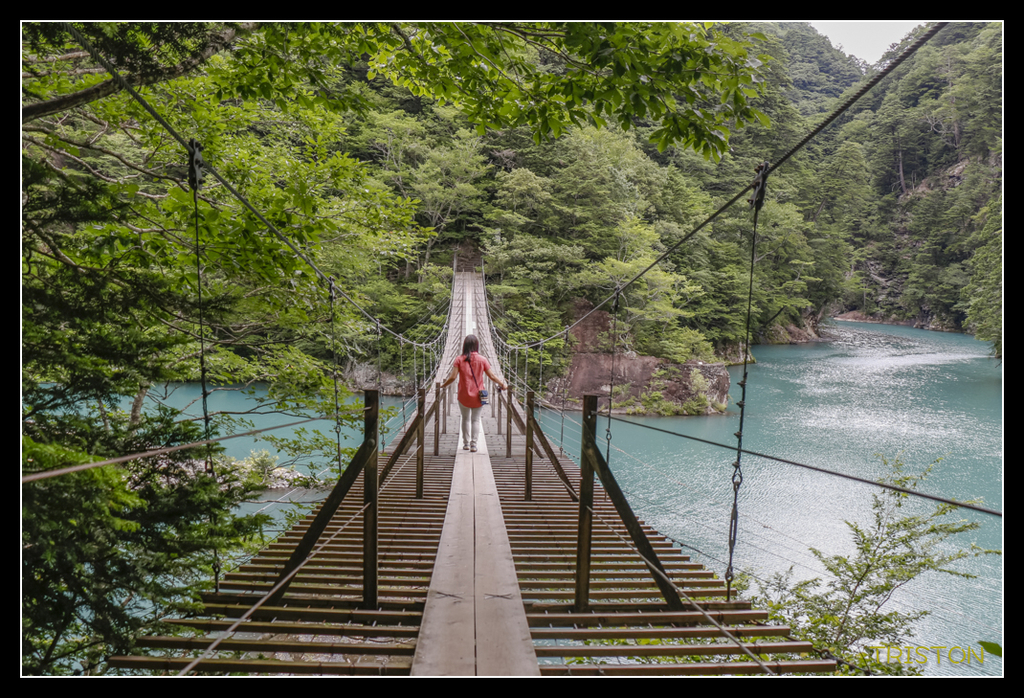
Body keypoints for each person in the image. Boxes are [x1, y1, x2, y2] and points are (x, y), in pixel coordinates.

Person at [440, 334, 507, 452]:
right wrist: (502, 384)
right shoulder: (483, 359)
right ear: (477, 345)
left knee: (465, 419)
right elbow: (491, 376)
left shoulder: (459, 359)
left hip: (463, 395)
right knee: (475, 420)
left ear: (464, 345)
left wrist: (443, 385)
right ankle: (474, 444)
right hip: (478, 395)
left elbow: (453, 377)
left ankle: (465, 443)